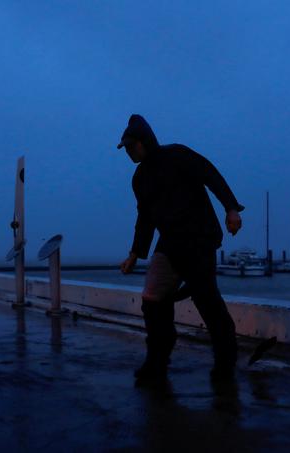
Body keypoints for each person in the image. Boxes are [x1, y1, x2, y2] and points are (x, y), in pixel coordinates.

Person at [117, 114, 244, 381]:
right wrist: (134, 254)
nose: (127, 153)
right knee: (152, 299)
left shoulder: (178, 155)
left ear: (143, 142)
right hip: (169, 245)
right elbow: (145, 218)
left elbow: (211, 175)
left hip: (198, 239)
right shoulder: (139, 178)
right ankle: (157, 361)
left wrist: (231, 208)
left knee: (207, 300)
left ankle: (225, 363)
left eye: (130, 147)